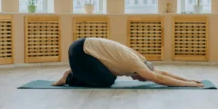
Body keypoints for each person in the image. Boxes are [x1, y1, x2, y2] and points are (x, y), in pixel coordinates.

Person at [52, 37, 204, 88]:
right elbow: (159, 78)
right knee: (105, 80)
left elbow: (160, 73)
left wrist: (188, 79)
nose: (143, 79)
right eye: (145, 77)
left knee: (110, 78)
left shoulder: (141, 60)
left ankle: (74, 74)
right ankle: (69, 77)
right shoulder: (136, 64)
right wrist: (189, 85)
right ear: (141, 72)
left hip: (85, 48)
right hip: (79, 52)